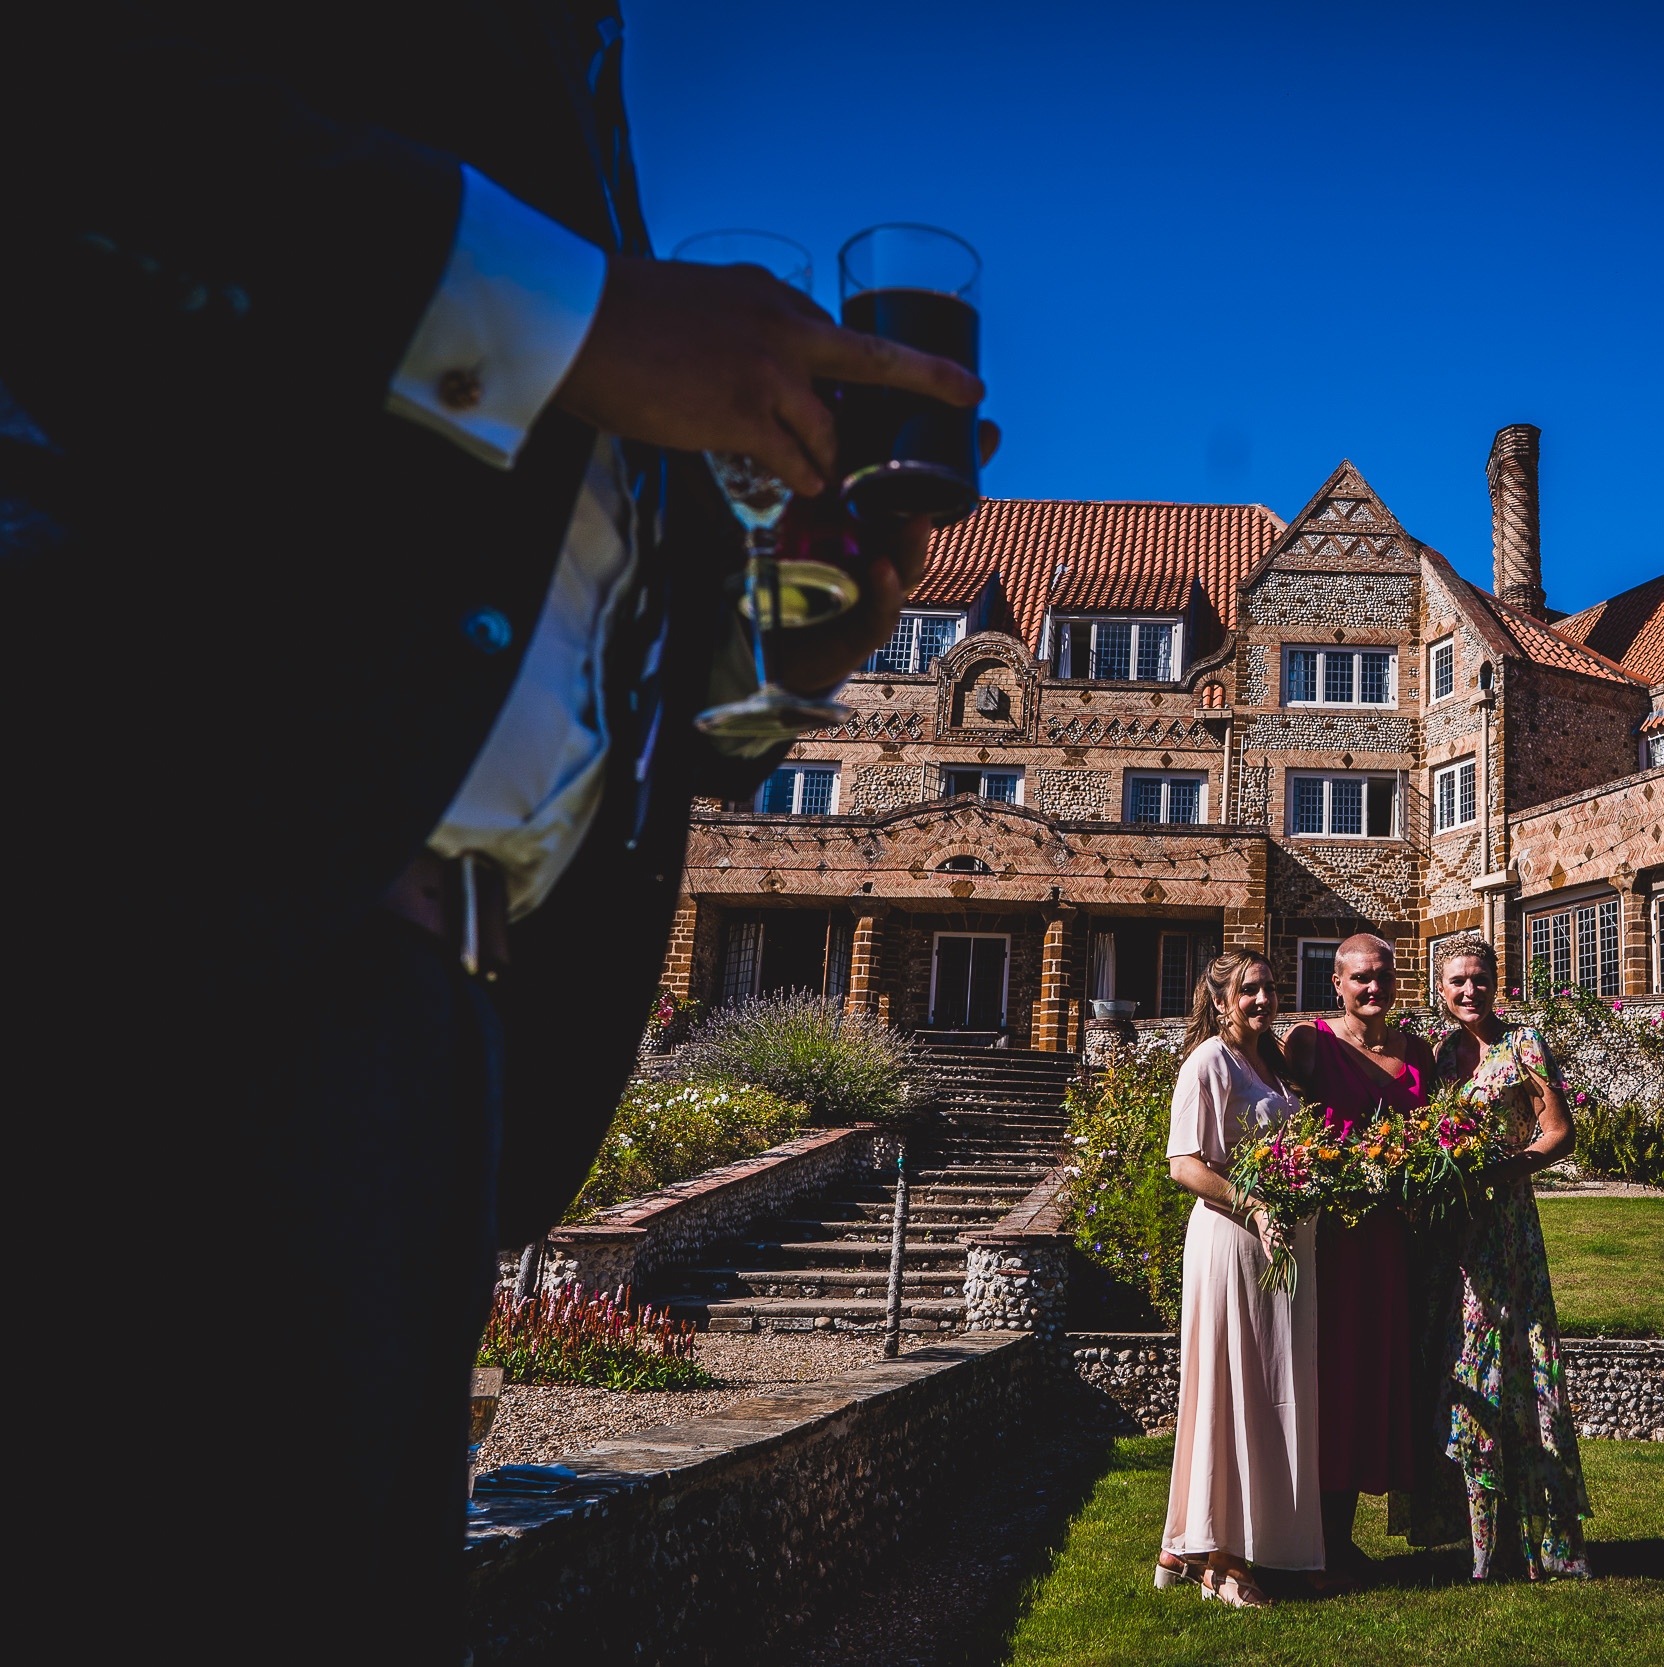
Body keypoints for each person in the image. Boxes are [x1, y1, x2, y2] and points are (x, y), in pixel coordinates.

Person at [4, 7, 983, 1660]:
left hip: (430, 1028)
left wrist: (791, 663)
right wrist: (584, 316)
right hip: (187, 928)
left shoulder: (581, 111)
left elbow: (594, 698)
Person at [1417, 937, 1592, 1580]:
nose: (1469, 991)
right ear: (1440, 988)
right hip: (1453, 1238)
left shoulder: (1525, 1047)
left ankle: (1539, 1540)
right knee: (1464, 1373)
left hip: (1508, 1230)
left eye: (1479, 980)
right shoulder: (1437, 1058)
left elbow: (1560, 1133)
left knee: (1514, 1368)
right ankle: (1478, 1545)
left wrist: (1506, 1168)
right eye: (1457, 981)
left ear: (1497, 984)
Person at [1159, 951, 1322, 1608]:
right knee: (1229, 1392)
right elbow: (1184, 1164)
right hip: (1231, 1240)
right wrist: (1253, 1205)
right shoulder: (1208, 1062)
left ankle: (1251, 1542)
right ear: (1220, 999)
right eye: (1248, 988)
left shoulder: (1274, 1063)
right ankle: (1220, 1560)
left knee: (1271, 1392)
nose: (1262, 997)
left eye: (1269, 986)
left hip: (1280, 1246)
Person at [1284, 932, 1428, 1579]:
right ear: (1336, 984)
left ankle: (1340, 1536)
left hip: (1393, 1244)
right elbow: (1268, 1112)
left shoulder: (1419, 1054)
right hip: (1330, 1241)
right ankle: (1312, 1534)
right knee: (1329, 1380)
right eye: (1359, 978)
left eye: (1383, 977)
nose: (1373, 989)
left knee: (1374, 1377)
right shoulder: (1309, 1043)